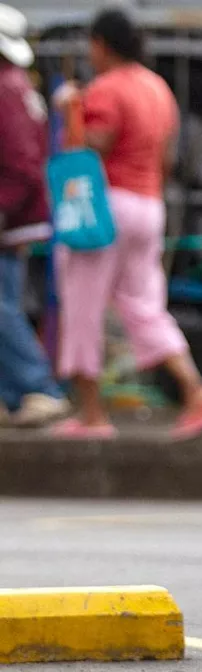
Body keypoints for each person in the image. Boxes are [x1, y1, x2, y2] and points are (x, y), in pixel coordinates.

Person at [49, 7, 202, 441]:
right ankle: (195, 390)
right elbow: (167, 159)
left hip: (104, 205)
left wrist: (70, 109)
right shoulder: (158, 88)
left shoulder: (106, 90)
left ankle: (92, 416)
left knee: (82, 304)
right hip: (149, 205)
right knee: (145, 306)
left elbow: (93, 146)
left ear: (101, 45)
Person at [0, 4, 72, 428]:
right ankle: (16, 392)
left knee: (2, 308)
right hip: (19, 214)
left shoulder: (5, 88)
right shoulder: (19, 85)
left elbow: (22, 164)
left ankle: (36, 385)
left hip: (10, 215)